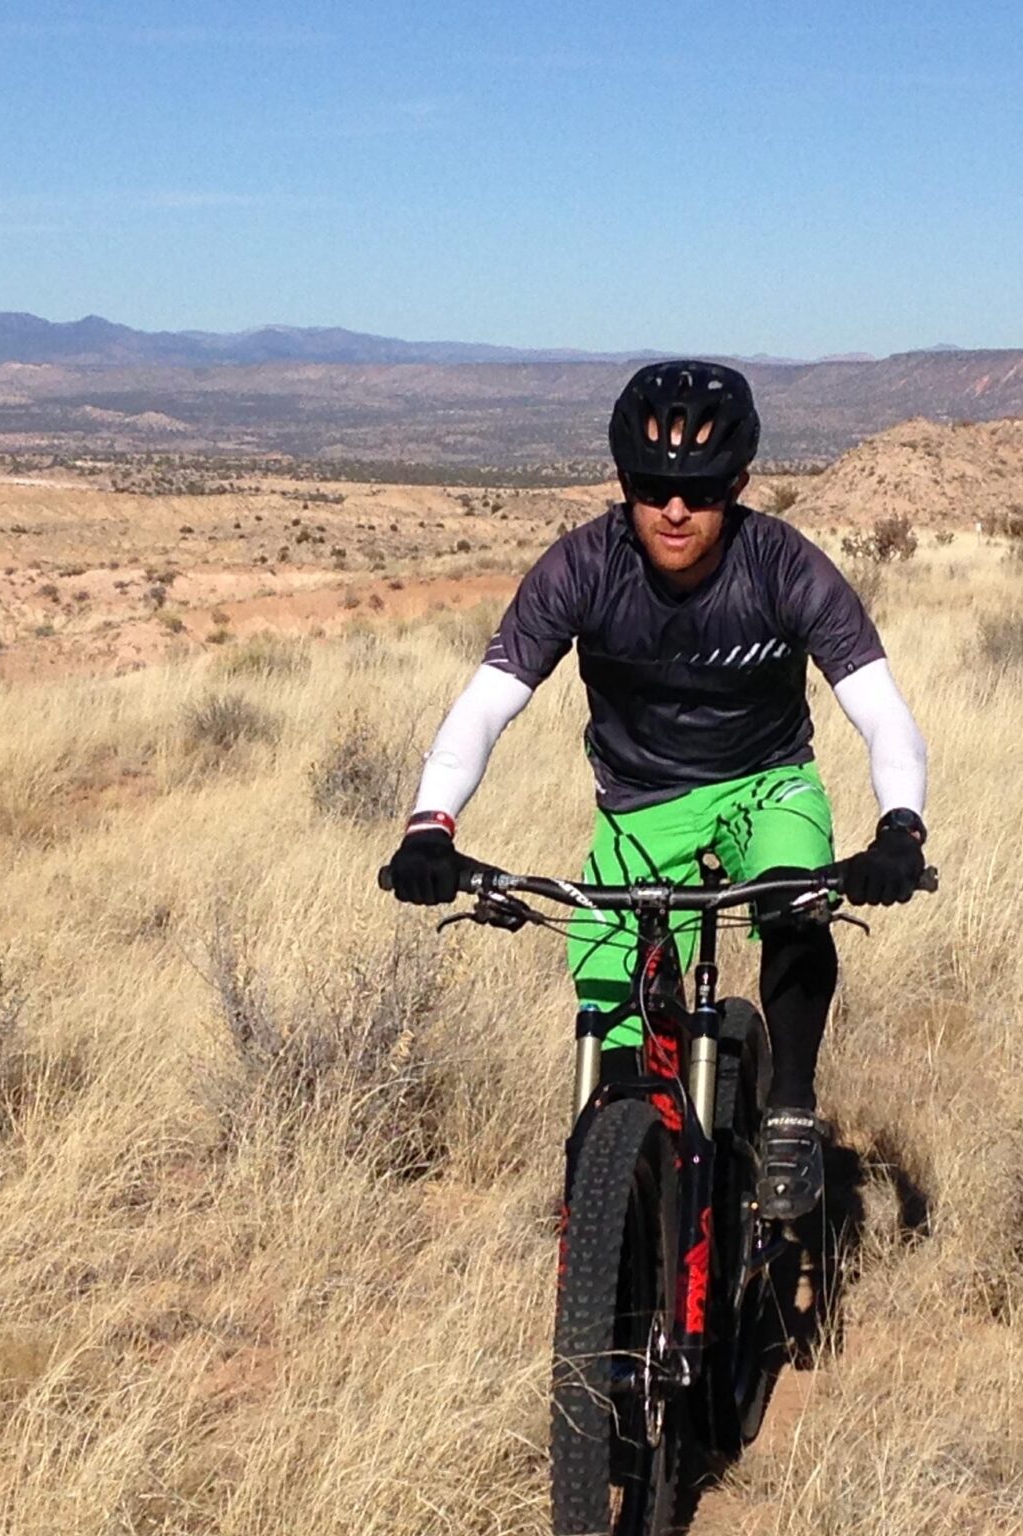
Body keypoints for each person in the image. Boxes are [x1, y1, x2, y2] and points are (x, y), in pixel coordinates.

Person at [385, 360, 930, 1220]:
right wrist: (430, 826)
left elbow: (883, 710)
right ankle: (621, 1201)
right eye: (652, 486)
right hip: (640, 804)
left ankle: (788, 1106)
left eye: (701, 489)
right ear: (624, 484)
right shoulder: (582, 567)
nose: (675, 509)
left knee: (794, 895)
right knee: (608, 994)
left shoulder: (783, 566)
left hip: (764, 784)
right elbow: (487, 702)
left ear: (739, 485)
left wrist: (902, 827)